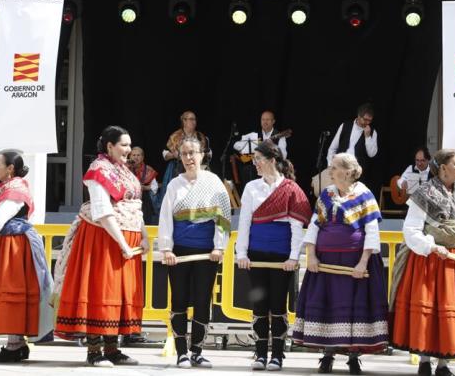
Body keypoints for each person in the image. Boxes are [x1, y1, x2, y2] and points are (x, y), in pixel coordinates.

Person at [54, 126, 148, 367]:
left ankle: (112, 348)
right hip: (103, 239)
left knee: (118, 293)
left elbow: (135, 206)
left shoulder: (124, 171)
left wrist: (144, 236)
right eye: (123, 145)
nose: (128, 149)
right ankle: (94, 351)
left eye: (129, 145)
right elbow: (103, 211)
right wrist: (123, 243)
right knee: (100, 291)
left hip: (124, 238)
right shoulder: (98, 170)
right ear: (109, 146)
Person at [389, 149, 455, 376]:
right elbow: (411, 229)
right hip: (431, 260)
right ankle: (425, 359)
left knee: (448, 311)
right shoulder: (424, 193)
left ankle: (444, 363)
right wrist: (431, 246)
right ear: (443, 167)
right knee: (431, 309)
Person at [292, 153, 388, 375]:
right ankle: (327, 355)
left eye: (334, 167)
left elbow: (372, 232)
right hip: (326, 263)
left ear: (347, 171)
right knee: (327, 307)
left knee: (352, 310)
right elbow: (315, 226)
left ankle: (353, 358)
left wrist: (363, 263)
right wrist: (311, 256)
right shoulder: (326, 194)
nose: (330, 171)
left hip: (354, 264)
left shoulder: (364, 195)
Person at [0, 152, 53, 363]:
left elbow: (1, 216)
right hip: (10, 243)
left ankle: (14, 345)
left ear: (10, 169)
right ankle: (17, 344)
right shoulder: (10, 187)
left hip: (15, 246)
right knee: (8, 290)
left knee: (11, 289)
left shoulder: (15, 189)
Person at [235, 141, 311, 371]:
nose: (255, 163)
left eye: (258, 159)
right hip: (256, 255)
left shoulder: (290, 189)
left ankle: (277, 355)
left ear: (272, 160)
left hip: (281, 257)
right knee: (259, 305)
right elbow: (245, 221)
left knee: (278, 305)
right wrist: (242, 252)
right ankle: (259, 354)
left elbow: (297, 228)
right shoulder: (251, 188)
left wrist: (293, 258)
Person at [159, 138, 231, 369]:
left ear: (202, 155)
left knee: (202, 300)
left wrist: (219, 246)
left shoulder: (214, 182)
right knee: (178, 299)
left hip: (206, 253)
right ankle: (181, 352)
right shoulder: (174, 185)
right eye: (185, 154)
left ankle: (197, 351)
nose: (189, 158)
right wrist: (167, 248)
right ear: (180, 157)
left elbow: (223, 217)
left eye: (193, 153)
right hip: (179, 252)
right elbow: (165, 219)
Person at [159, 111, 212, 204]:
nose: (194, 122)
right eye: (191, 119)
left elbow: (209, 153)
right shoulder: (175, 136)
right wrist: (173, 155)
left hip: (197, 169)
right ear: (184, 121)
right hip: (178, 168)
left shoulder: (200, 136)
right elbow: (164, 153)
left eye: (194, 119)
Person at [234, 111, 290, 193]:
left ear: (273, 121)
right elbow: (236, 145)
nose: (265, 122)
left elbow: (283, 155)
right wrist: (253, 149)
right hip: (256, 168)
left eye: (268, 120)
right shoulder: (255, 135)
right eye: (263, 119)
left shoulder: (279, 135)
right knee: (247, 169)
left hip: (272, 168)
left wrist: (270, 151)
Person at [327, 103, 378, 187]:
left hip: (357, 173)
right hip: (340, 168)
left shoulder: (372, 132)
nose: (367, 123)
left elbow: (372, 154)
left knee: (352, 198)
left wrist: (368, 137)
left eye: (370, 120)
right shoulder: (345, 126)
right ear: (359, 116)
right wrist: (330, 165)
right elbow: (332, 148)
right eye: (365, 119)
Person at [128, 146, 160, 225]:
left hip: (145, 201)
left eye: (138, 155)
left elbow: (154, 186)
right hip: (129, 199)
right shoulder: (125, 168)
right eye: (134, 155)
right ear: (130, 156)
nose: (136, 157)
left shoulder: (148, 169)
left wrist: (144, 187)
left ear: (142, 157)